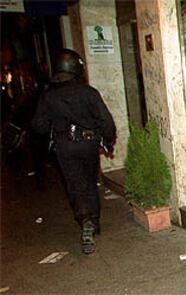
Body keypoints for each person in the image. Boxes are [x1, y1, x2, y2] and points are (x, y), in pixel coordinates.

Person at [32, 49, 116, 254]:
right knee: (89, 181)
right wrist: (108, 140)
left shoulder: (48, 97)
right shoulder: (88, 92)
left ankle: (84, 217)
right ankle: (94, 221)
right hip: (88, 144)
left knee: (74, 183)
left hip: (64, 146)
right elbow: (106, 121)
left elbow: (38, 126)